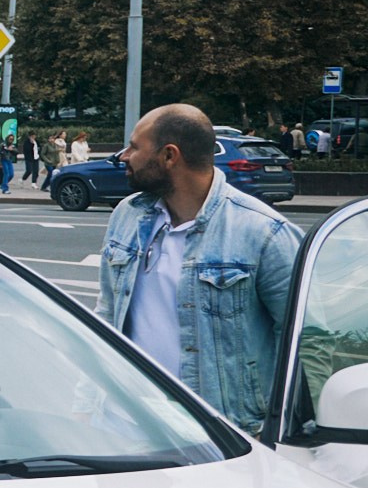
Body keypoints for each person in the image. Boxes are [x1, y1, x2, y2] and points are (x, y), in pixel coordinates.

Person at [96, 103, 300, 433]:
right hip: (127, 420)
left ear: (169, 156)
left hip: (220, 431)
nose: (123, 156)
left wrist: (281, 432)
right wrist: (87, 405)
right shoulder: (128, 215)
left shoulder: (263, 231)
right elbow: (107, 315)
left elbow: (303, 342)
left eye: (134, 147)